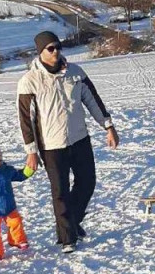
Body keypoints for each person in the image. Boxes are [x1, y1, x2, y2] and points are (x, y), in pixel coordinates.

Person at [17, 31, 119, 254]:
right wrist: (31, 151)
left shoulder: (76, 73)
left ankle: (71, 223)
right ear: (40, 52)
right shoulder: (29, 82)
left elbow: (93, 101)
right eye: (50, 49)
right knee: (60, 192)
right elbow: (26, 120)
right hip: (52, 146)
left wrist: (108, 126)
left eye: (57, 47)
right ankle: (67, 238)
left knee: (87, 182)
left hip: (80, 138)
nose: (56, 52)